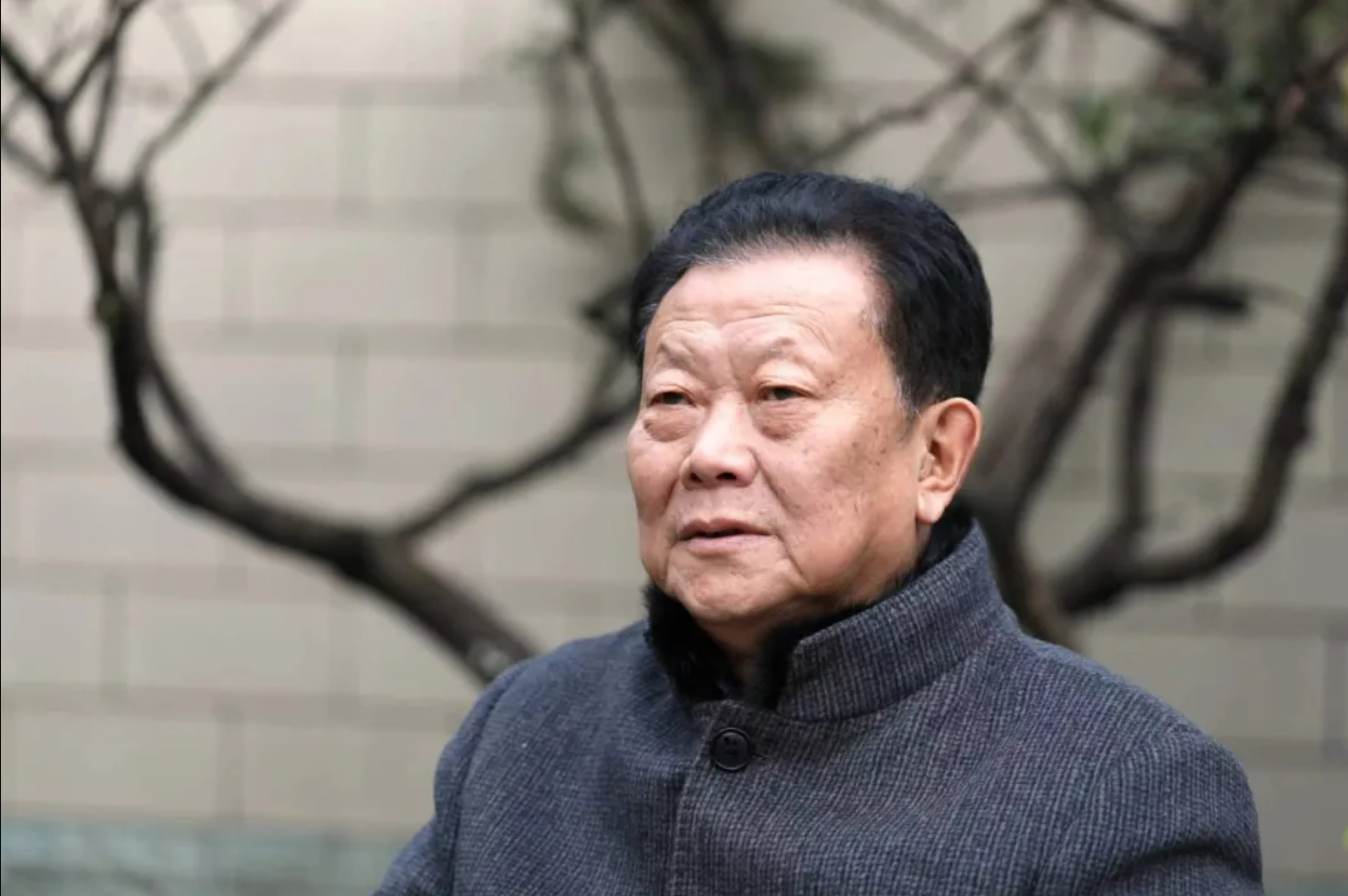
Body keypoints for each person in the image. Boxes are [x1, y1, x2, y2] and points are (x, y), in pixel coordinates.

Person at [376, 172, 1263, 895]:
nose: (711, 455)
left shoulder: (1126, 790)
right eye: (673, 399)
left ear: (937, 456)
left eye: (781, 395)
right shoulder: (531, 728)